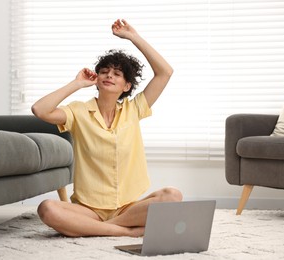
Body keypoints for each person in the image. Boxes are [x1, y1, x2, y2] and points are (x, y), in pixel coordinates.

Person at [31, 19, 182, 238]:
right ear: (97, 79)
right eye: (104, 71)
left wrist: (133, 37)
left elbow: (165, 72)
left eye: (117, 74)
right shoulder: (78, 112)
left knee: (172, 196)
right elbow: (40, 109)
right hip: (88, 210)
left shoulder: (135, 109)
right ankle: (127, 232)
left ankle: (105, 228)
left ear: (126, 86)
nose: (109, 75)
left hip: (128, 208)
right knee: (47, 208)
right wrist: (77, 83)